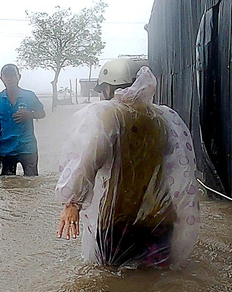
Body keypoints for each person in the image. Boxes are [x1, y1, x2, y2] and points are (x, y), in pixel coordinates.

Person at [55, 60, 200, 268]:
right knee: (157, 286)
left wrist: (72, 203)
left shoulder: (106, 117)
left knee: (114, 288)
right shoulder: (162, 118)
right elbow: (173, 165)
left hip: (118, 222)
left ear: (108, 88)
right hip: (160, 219)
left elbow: (86, 160)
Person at [0, 64, 46, 176]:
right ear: (2, 79)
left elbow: (42, 114)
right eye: (6, 76)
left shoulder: (29, 96)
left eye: (12, 76)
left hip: (28, 149)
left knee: (31, 183)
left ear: (19, 77)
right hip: (6, 150)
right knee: (7, 186)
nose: (9, 79)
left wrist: (30, 114)